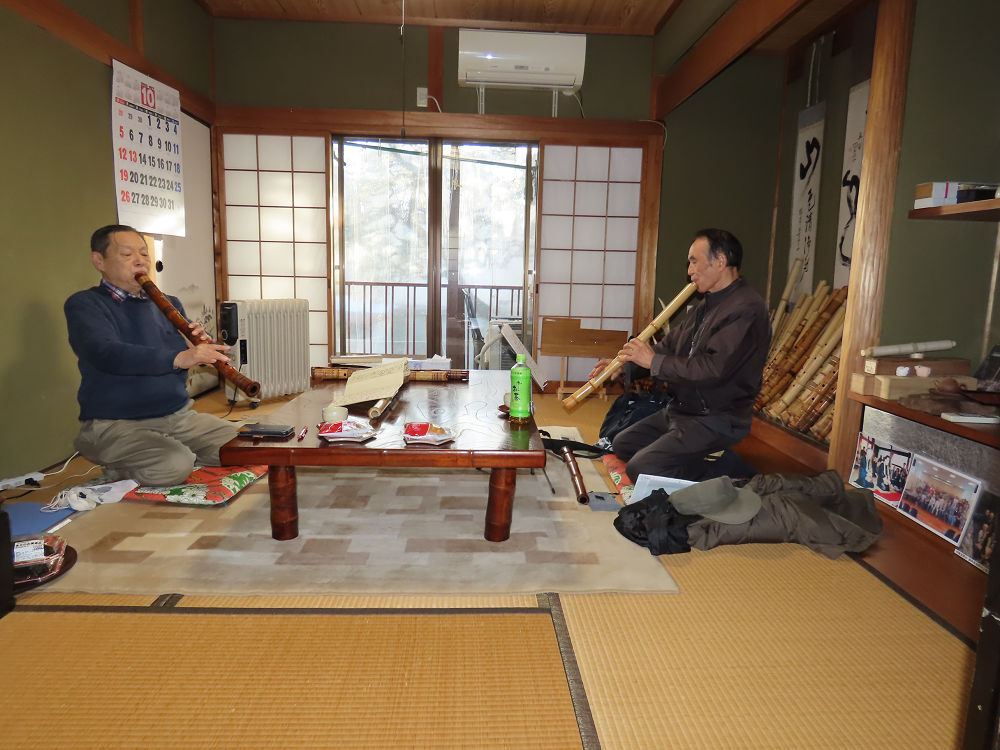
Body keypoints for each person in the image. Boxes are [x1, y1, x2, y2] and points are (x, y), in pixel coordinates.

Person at [588, 228, 771, 481]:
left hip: (717, 417)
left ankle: (728, 472)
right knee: (623, 444)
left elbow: (712, 368)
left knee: (641, 468)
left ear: (720, 261)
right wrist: (624, 367)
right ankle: (692, 457)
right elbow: (668, 347)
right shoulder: (705, 306)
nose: (689, 271)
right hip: (683, 410)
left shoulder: (746, 309)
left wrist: (653, 361)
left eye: (694, 261)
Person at [64, 224, 239, 486]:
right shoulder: (85, 304)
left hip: (178, 418)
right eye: (127, 254)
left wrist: (199, 346)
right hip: (115, 424)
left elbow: (192, 354)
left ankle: (173, 453)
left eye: (144, 254)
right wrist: (179, 358)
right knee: (175, 465)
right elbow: (106, 353)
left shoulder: (169, 303)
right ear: (99, 261)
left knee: (243, 446)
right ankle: (124, 467)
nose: (140, 261)